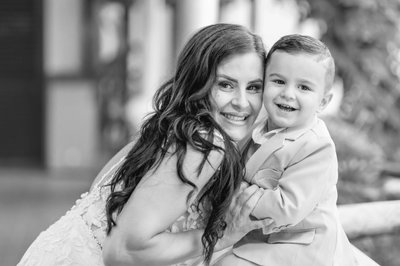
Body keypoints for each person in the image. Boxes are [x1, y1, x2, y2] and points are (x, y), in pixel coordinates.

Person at [17, 23, 271, 266]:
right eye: (225, 84)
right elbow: (122, 250)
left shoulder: (167, 128)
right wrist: (224, 235)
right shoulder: (204, 143)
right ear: (198, 84)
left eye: (253, 87)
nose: (242, 102)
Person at [215, 34, 358, 266]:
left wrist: (234, 188)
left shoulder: (316, 146)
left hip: (300, 245)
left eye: (303, 87)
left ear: (323, 102)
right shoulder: (259, 126)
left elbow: (286, 207)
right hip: (261, 237)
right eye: (278, 81)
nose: (288, 93)